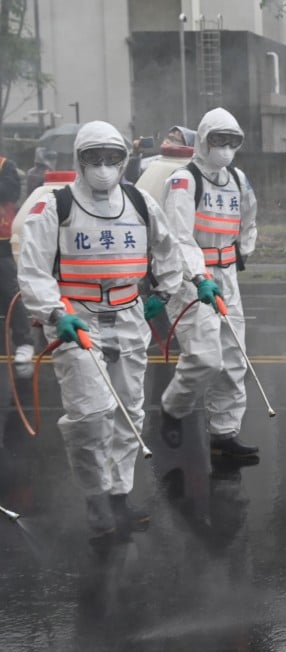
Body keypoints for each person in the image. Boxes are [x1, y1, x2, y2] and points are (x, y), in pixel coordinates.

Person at [17, 121, 184, 537]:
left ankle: (118, 496)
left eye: (112, 157)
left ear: (124, 159)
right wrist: (55, 314)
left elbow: (168, 247)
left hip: (129, 314)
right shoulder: (56, 206)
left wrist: (164, 291)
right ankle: (95, 497)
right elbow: (33, 268)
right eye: (95, 157)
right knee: (90, 415)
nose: (104, 166)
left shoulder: (139, 202)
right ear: (80, 159)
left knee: (128, 411)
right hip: (77, 319)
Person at [159, 107, 259, 462]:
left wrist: (242, 252)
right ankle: (173, 408)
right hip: (192, 280)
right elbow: (178, 236)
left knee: (233, 358)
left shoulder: (238, 179)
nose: (225, 148)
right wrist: (199, 276)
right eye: (219, 140)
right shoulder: (184, 181)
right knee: (205, 358)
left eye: (232, 141)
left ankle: (224, 434)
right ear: (203, 140)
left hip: (227, 275)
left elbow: (249, 217)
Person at [0, 152, 34, 371]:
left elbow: (10, 192)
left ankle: (24, 342)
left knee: (9, 291)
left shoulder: (4, 165)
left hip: (1, 242)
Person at [124, 126, 196, 184]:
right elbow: (131, 177)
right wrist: (136, 153)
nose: (166, 141)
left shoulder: (188, 169)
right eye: (168, 138)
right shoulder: (155, 161)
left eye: (173, 140)